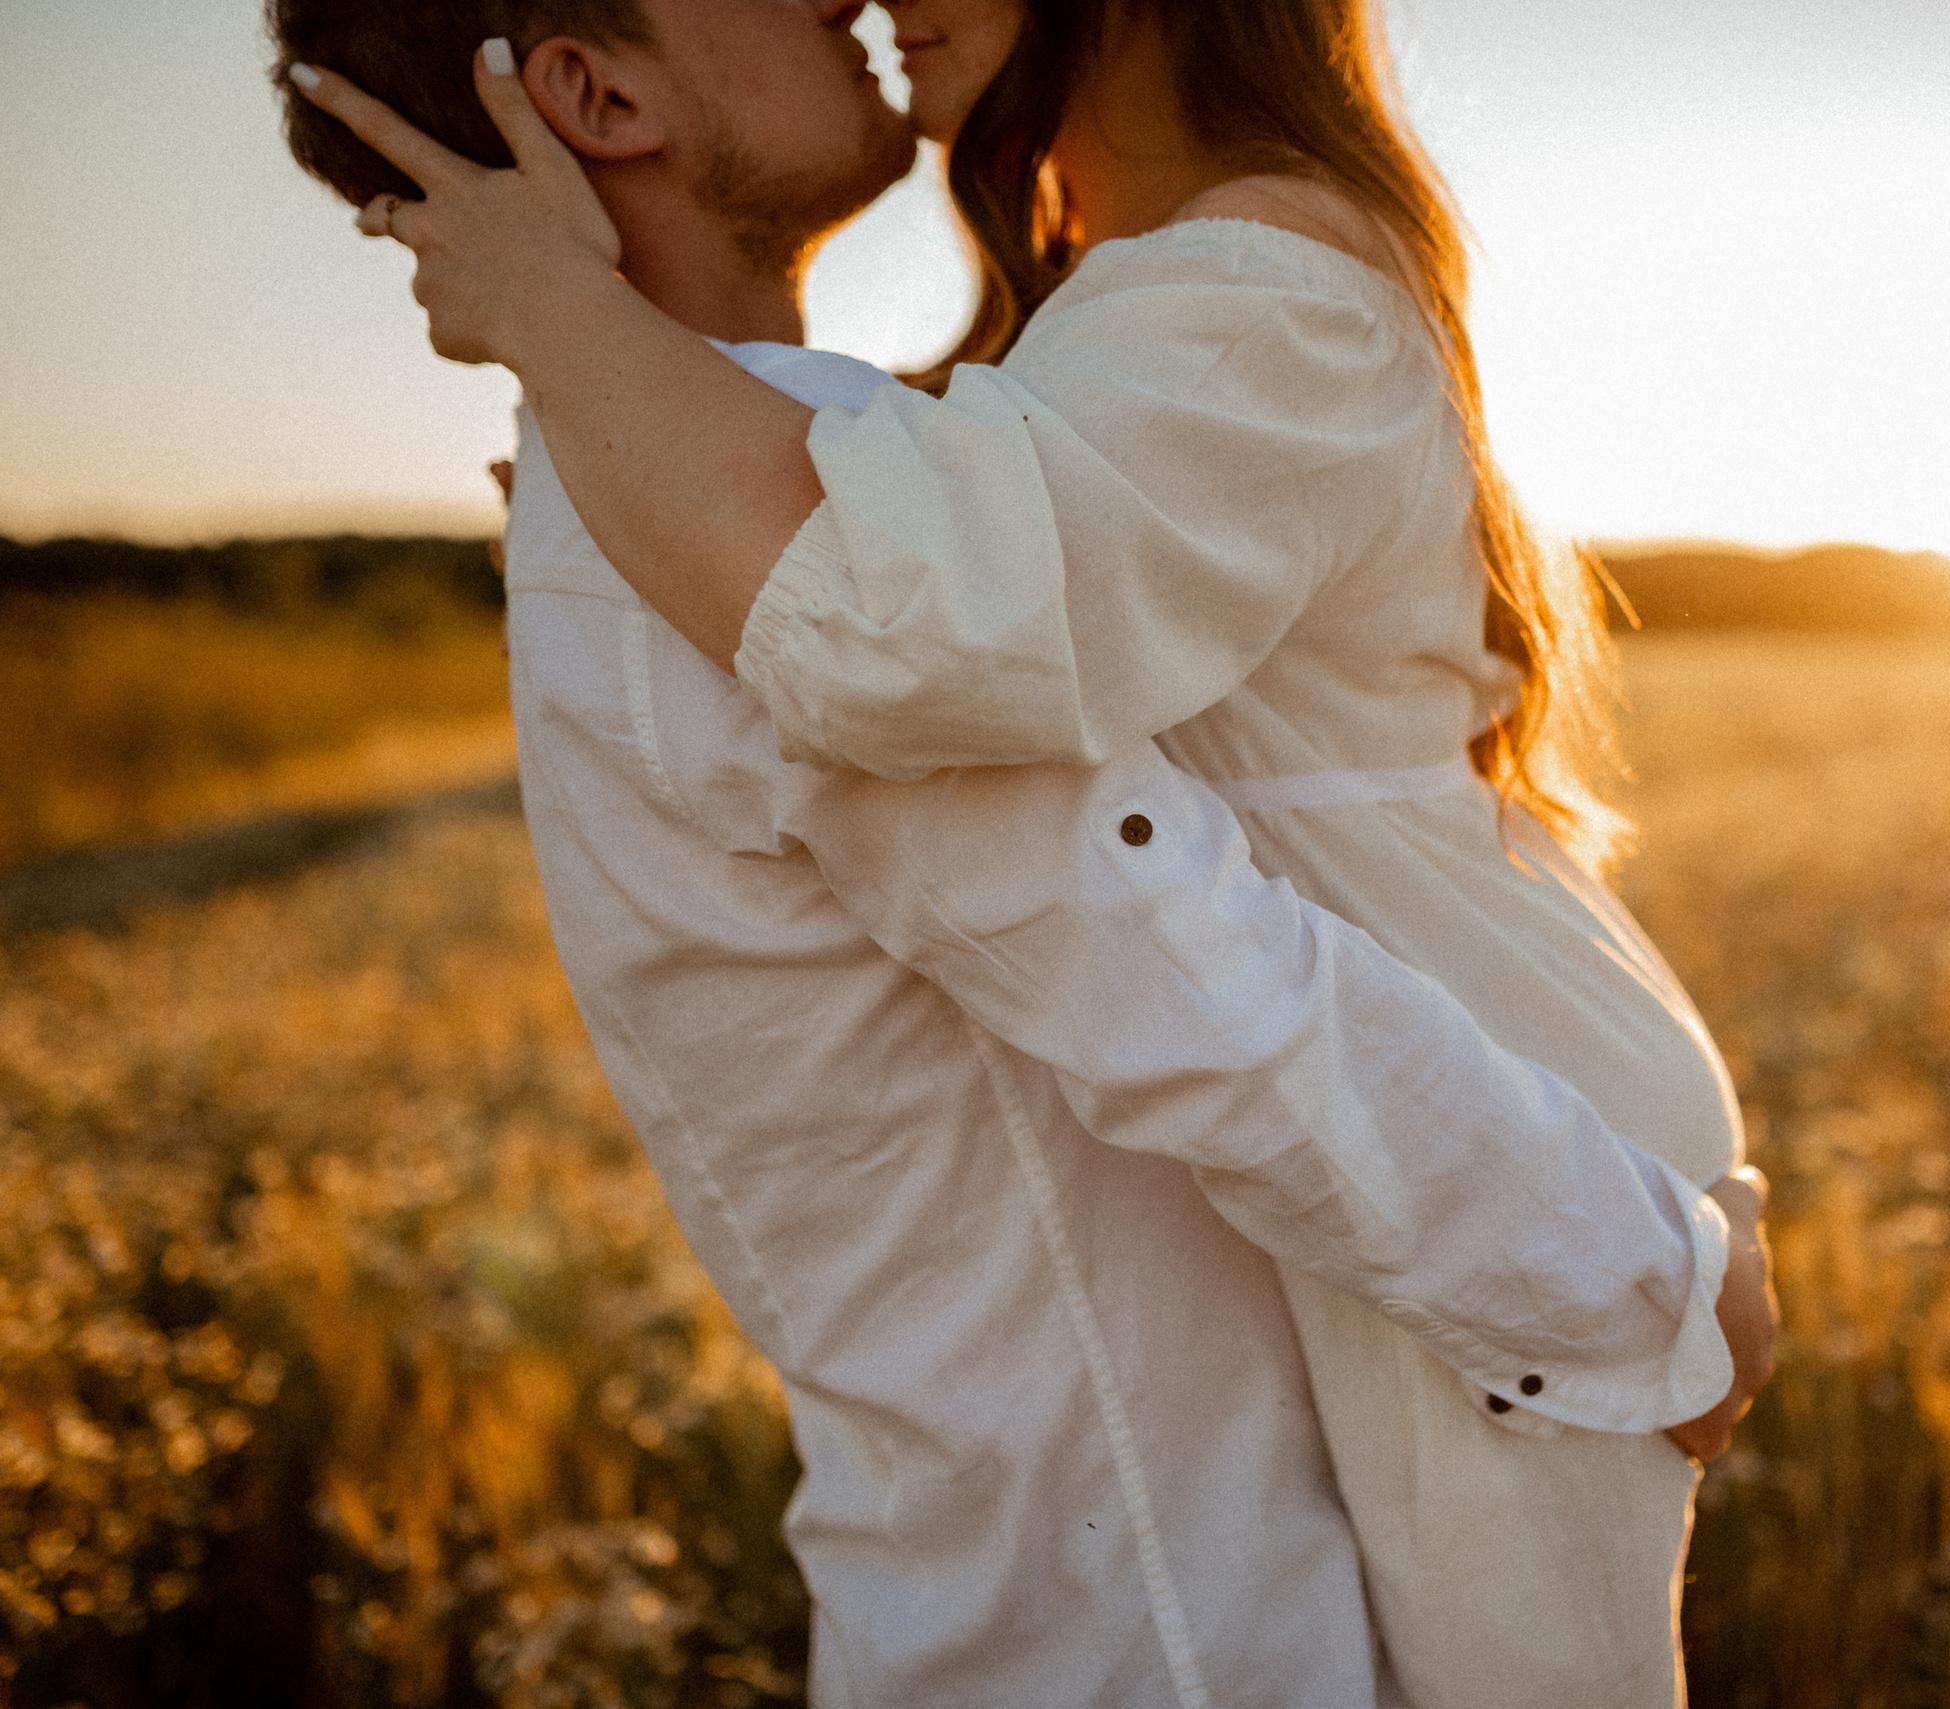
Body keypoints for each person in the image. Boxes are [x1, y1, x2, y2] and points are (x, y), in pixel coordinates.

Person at [273, 3, 1772, 1704]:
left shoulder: (708, 498)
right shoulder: (746, 554)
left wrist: (561, 328)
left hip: (1034, 1588)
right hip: (1151, 1624)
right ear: (597, 91)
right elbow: (1207, 994)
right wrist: (1645, 1280)